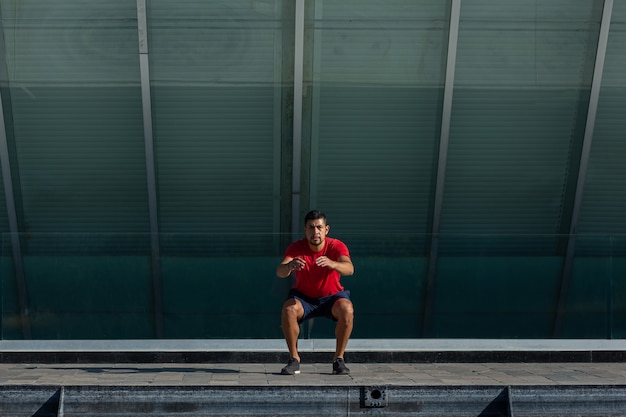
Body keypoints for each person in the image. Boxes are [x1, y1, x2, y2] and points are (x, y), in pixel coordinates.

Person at [276, 209, 355, 375]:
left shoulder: (336, 246)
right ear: (305, 230)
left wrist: (333, 264)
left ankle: (338, 359)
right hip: (304, 299)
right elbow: (280, 272)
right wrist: (290, 266)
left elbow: (349, 269)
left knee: (347, 309)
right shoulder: (296, 247)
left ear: (326, 229)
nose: (315, 232)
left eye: (319, 227)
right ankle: (294, 359)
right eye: (311, 227)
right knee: (289, 309)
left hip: (332, 298)